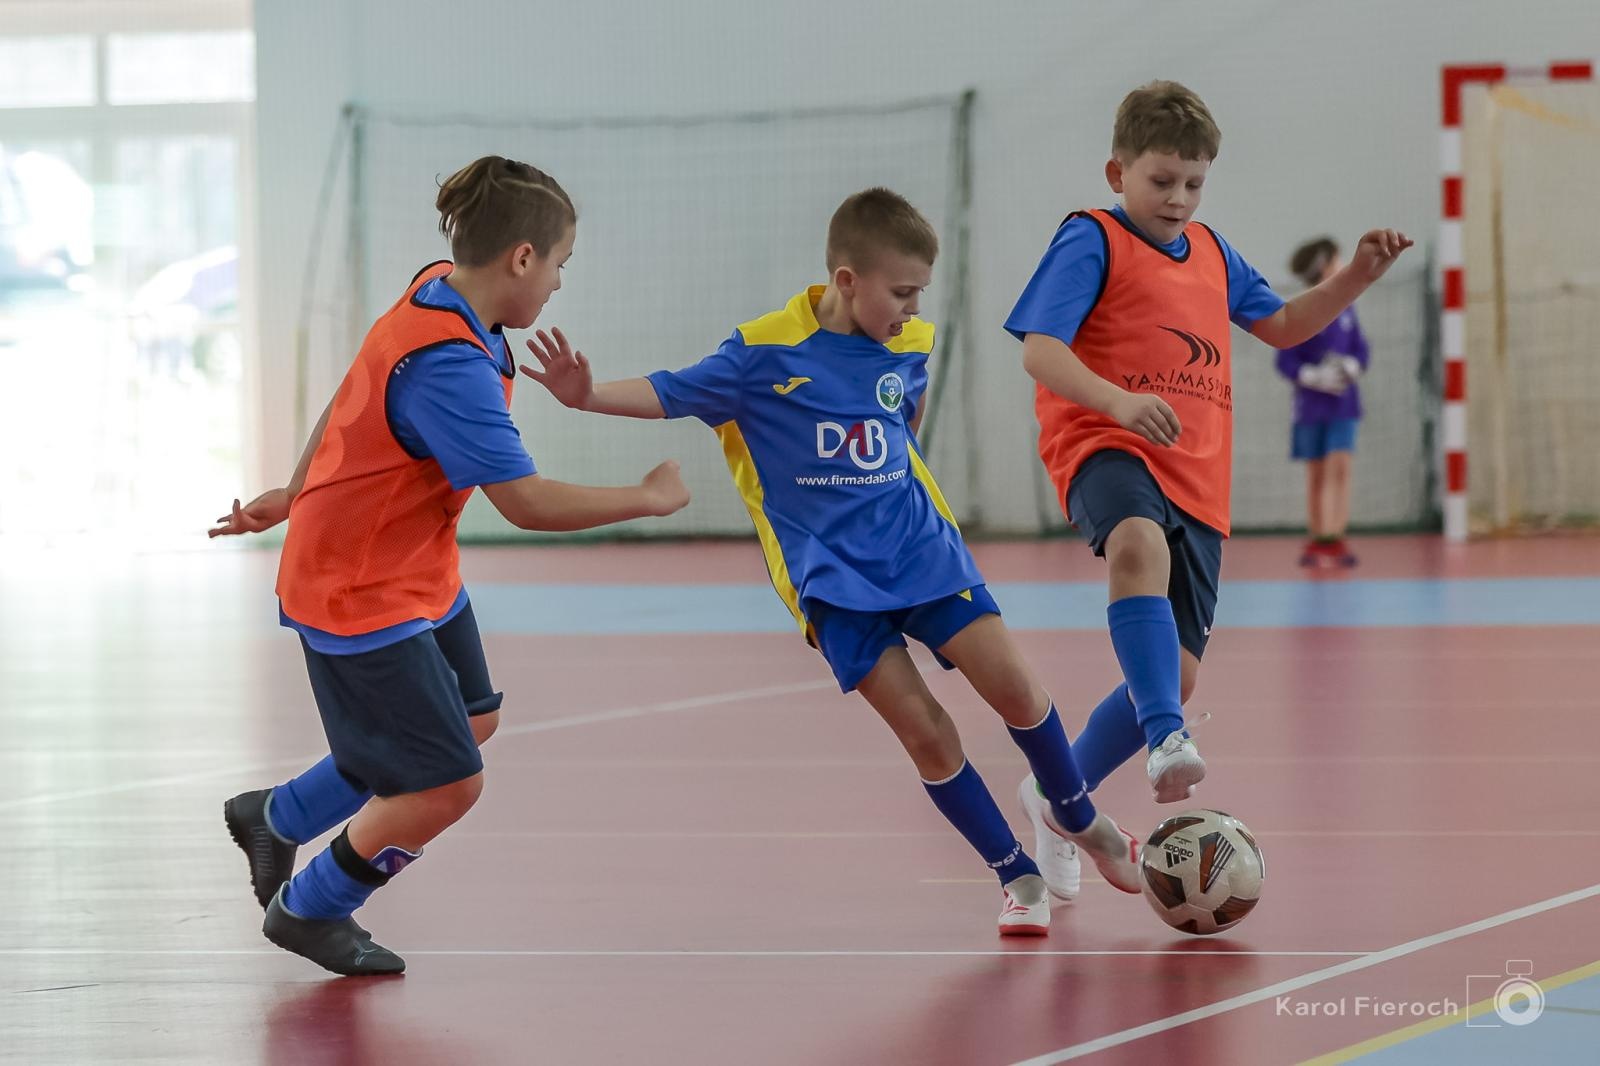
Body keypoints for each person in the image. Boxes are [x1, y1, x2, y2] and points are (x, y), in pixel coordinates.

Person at [519, 187, 1142, 936]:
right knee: (926, 731)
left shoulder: (909, 345)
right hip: (834, 584)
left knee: (1017, 689)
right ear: (847, 281)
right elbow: (669, 392)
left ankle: (1082, 819)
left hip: (922, 552)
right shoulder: (760, 354)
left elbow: (902, 423)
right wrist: (584, 396)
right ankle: (1017, 875)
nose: (913, 309)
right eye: (901, 292)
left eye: (920, 293)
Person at [210, 156, 689, 975]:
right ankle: (311, 909)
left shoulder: (437, 287)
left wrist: (295, 490)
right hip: (357, 588)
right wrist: (644, 497)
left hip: (413, 561)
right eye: (562, 264)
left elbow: (350, 393)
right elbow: (526, 503)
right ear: (523, 258)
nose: (561, 285)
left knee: (468, 720)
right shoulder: (450, 365)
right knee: (446, 783)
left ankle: (278, 815)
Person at [1005, 81, 1411, 803]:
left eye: (1194, 183)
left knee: (1178, 669)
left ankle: (1056, 794)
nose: (1179, 198)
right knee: (1136, 544)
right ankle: (1167, 734)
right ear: (1117, 174)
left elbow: (1283, 326)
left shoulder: (1214, 255)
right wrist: (1119, 402)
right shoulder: (1092, 237)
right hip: (1105, 439)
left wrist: (1354, 277)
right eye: (1162, 181)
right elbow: (1040, 350)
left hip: (1196, 476)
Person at [1276, 237, 1369, 568]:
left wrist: (1352, 367)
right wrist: (1312, 375)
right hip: (1310, 407)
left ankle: (1337, 536)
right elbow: (1285, 359)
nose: (1341, 263)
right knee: (1317, 472)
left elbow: (1361, 349)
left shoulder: (1347, 308)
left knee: (1340, 467)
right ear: (1322, 266)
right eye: (1335, 259)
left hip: (1344, 404)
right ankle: (1319, 537)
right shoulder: (1301, 307)